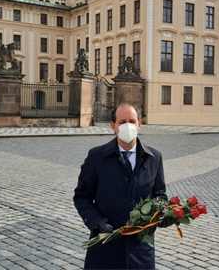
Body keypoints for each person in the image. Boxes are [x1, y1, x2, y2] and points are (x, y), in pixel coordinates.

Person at [73, 103, 174, 270]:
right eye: (122, 122)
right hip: (105, 247)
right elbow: (82, 196)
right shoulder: (96, 156)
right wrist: (96, 222)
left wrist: (163, 215)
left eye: (132, 121)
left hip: (140, 249)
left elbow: (160, 195)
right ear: (113, 126)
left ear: (139, 125)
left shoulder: (154, 157)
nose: (128, 126)